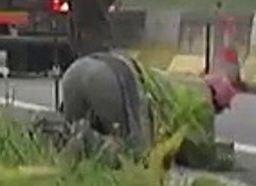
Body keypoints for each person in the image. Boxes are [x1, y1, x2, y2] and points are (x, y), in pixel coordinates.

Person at [58, 50, 237, 170]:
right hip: (114, 78)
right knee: (135, 158)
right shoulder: (203, 101)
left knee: (68, 142)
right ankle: (89, 140)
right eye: (219, 109)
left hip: (78, 69)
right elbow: (201, 155)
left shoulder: (179, 80)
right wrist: (225, 157)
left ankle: (48, 131)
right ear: (215, 100)